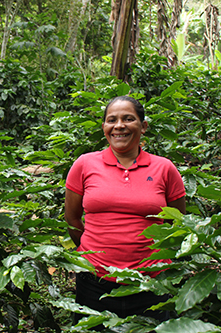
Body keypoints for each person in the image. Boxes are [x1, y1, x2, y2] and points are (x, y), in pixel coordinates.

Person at [64, 96, 186, 328]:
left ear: (143, 125)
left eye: (128, 119)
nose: (119, 125)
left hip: (151, 282)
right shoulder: (85, 164)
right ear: (104, 128)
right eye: (112, 120)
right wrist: (96, 252)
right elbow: (72, 218)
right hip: (94, 281)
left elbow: (177, 224)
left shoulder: (165, 168)